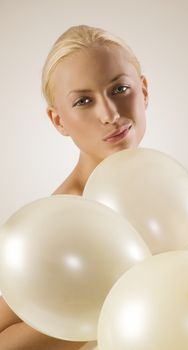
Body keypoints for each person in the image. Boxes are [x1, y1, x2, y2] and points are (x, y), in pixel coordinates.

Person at [0, 24, 149, 349]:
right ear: (59, 121)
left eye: (119, 89)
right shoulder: (64, 217)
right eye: (83, 101)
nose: (110, 114)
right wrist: (105, 304)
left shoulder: (159, 189)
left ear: (144, 90)